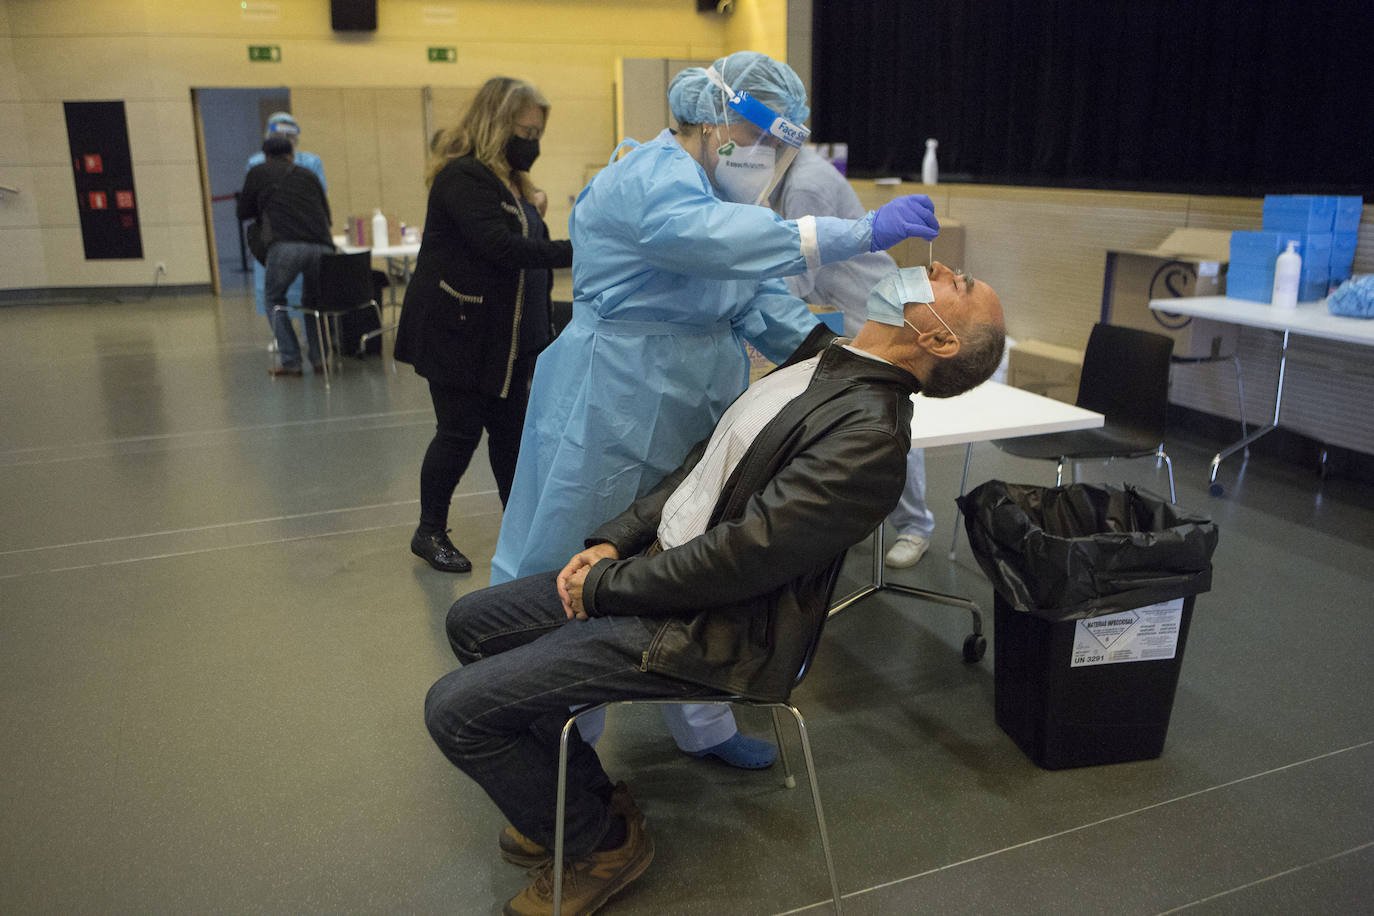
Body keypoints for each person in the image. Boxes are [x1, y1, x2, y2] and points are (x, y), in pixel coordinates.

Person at [425, 264, 1006, 916]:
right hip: (666, 575)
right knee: (473, 623)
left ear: (940, 341)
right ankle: (583, 805)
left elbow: (741, 558)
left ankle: (604, 843)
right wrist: (618, 539)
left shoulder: (870, 438)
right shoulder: (824, 361)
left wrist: (608, 588)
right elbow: (703, 462)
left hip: (712, 629)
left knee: (456, 711)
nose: (939, 269)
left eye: (958, 284)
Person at [488, 50, 942, 768]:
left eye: (774, 146)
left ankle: (703, 725)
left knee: (690, 553)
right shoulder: (648, 179)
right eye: (758, 138)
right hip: (610, 397)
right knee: (576, 558)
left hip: (695, 396)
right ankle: (562, 755)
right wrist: (854, 233)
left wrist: (844, 363)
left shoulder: (723, 197)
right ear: (713, 119)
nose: (764, 157)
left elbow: (755, 296)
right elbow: (706, 244)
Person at [394, 77, 573, 574]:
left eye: (538, 133)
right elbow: (503, 248)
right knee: (457, 433)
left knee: (512, 436)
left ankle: (521, 528)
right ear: (498, 124)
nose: (532, 142)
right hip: (458, 334)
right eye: (525, 130)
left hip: (507, 339)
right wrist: (582, 250)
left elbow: (527, 245)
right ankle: (429, 531)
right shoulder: (463, 177)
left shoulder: (512, 184)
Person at [770, 144, 937, 569]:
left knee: (887, 415)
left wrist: (744, 294)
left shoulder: (806, 183)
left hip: (875, 309)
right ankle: (853, 517)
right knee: (845, 420)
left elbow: (798, 275)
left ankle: (915, 525)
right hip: (845, 310)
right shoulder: (785, 175)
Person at [237, 136, 334, 376]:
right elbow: (326, 214)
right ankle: (320, 360)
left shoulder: (258, 171)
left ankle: (291, 361)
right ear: (291, 154)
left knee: (274, 300)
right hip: (322, 245)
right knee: (314, 302)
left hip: (286, 245)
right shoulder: (308, 174)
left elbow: (243, 212)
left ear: (266, 156)